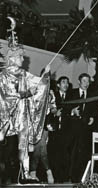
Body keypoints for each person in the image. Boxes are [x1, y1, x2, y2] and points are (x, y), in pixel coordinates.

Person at [0, 26, 50, 183]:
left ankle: (26, 174)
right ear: (13, 58)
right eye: (21, 57)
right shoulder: (4, 75)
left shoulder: (23, 73)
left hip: (23, 113)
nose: (23, 59)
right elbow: (9, 95)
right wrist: (28, 93)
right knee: (5, 147)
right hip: (7, 115)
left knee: (23, 142)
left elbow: (38, 83)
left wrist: (45, 75)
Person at [66, 73, 96, 183]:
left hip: (86, 129)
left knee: (83, 153)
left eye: (88, 81)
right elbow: (65, 108)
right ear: (79, 81)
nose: (86, 84)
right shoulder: (71, 93)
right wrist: (72, 112)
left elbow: (94, 110)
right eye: (84, 81)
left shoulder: (92, 95)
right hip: (73, 128)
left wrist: (93, 117)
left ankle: (82, 178)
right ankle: (71, 177)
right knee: (72, 153)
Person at [29, 70, 56, 183]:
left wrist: (51, 107)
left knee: (39, 150)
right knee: (41, 149)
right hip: (35, 124)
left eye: (48, 77)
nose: (47, 79)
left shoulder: (51, 92)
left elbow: (54, 109)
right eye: (45, 77)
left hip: (46, 124)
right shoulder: (36, 90)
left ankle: (32, 172)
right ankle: (48, 171)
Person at [48, 76, 71, 183]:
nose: (65, 85)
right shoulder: (53, 96)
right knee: (53, 153)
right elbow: (48, 110)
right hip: (54, 129)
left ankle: (63, 178)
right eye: (63, 82)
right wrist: (55, 114)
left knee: (64, 154)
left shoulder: (70, 97)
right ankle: (55, 177)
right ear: (58, 85)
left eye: (67, 83)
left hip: (66, 130)